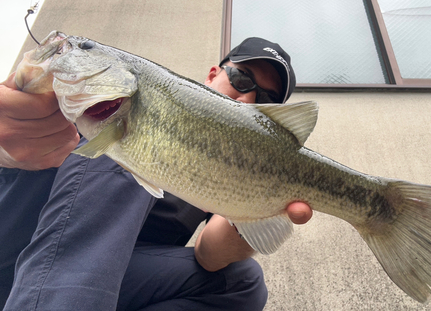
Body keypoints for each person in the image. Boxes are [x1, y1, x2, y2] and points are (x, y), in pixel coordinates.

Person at [0, 37, 312, 311]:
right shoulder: (100, 104)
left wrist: (261, 211)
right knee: (131, 142)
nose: (249, 99)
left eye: (267, 100)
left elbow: (208, 256)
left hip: (114, 282)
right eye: (242, 80)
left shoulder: (237, 173)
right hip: (21, 252)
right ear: (213, 74)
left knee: (245, 282)